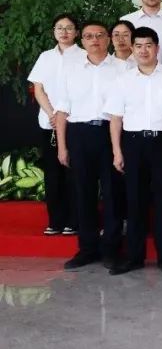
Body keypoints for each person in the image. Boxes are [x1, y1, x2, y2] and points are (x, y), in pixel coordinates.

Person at [105, 27, 162, 275]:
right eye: (138, 46)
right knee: (134, 201)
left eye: (148, 45)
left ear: (157, 48)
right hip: (133, 144)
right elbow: (115, 119)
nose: (143, 50)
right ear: (132, 49)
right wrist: (117, 152)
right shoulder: (123, 80)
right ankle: (134, 257)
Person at [53, 21, 129, 270]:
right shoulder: (71, 70)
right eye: (88, 36)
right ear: (82, 40)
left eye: (99, 35)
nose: (94, 40)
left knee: (113, 193)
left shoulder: (123, 68)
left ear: (108, 39)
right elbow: (62, 111)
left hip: (110, 134)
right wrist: (62, 146)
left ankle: (111, 249)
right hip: (79, 134)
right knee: (82, 192)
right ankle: (87, 249)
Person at [28, 13, 84, 236]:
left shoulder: (84, 56)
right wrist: (52, 114)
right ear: (54, 32)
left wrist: (63, 115)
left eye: (69, 28)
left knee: (74, 173)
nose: (64, 32)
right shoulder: (45, 57)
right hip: (48, 123)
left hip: (75, 121)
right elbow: (38, 89)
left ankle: (75, 220)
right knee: (53, 174)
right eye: (59, 28)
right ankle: (55, 221)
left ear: (77, 32)